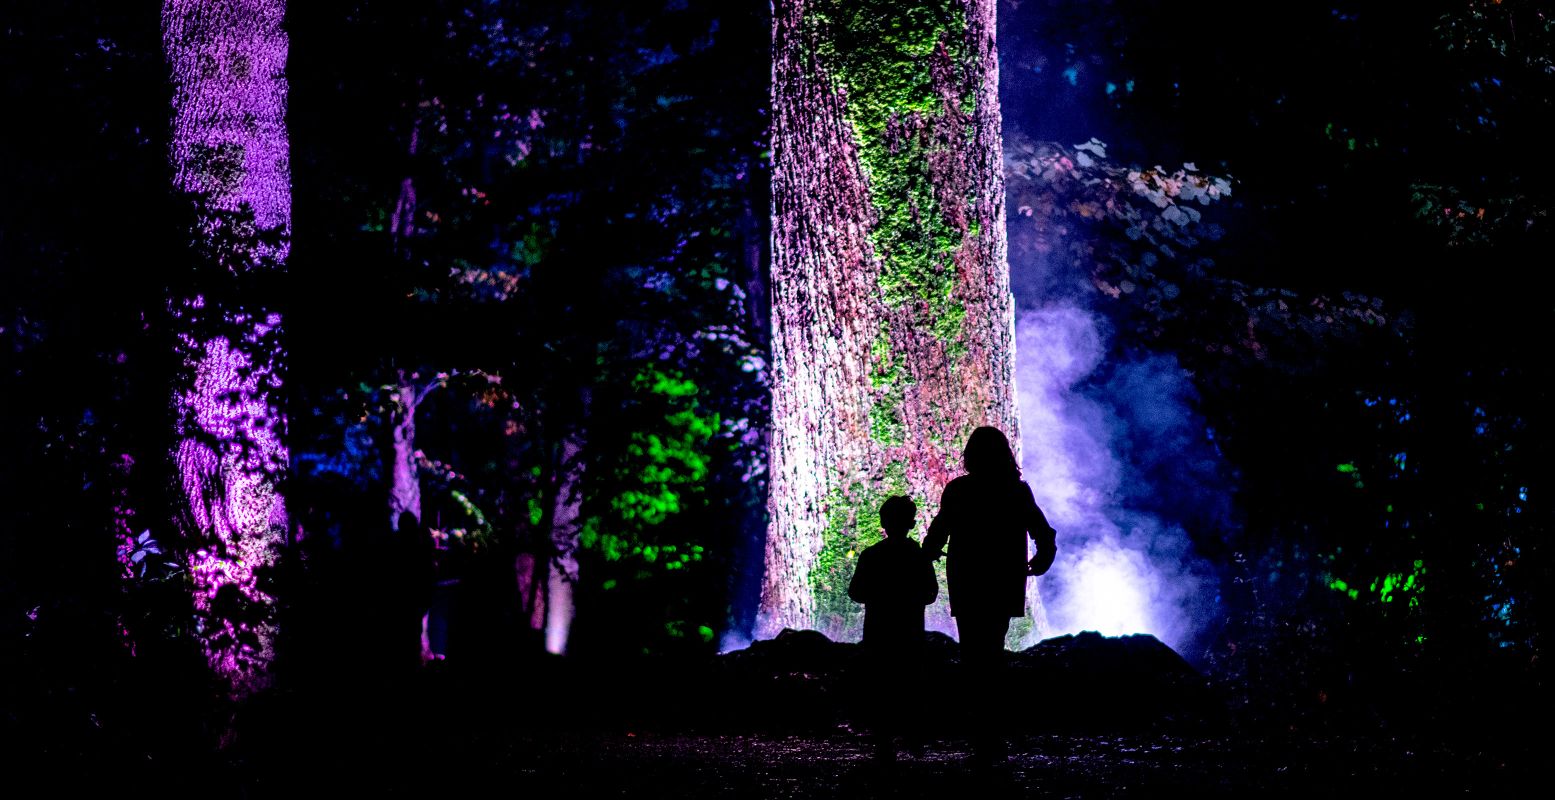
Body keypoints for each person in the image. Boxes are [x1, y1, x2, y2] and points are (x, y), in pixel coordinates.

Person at [922, 426, 1057, 761]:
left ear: (971, 455)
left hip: (967, 579)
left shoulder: (958, 490)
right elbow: (1042, 531)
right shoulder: (1015, 490)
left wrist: (927, 552)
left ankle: (981, 728)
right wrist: (1042, 558)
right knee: (993, 648)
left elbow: (939, 530)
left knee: (972, 652)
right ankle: (990, 730)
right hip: (1002, 579)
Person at [848, 495, 938, 762]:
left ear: (883, 523)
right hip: (910, 631)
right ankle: (914, 737)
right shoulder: (918, 557)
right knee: (911, 680)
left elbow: (856, 592)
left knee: (881, 682)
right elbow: (930, 593)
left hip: (879, 631)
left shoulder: (871, 555)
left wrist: (880, 595)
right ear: (911, 523)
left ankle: (883, 740)